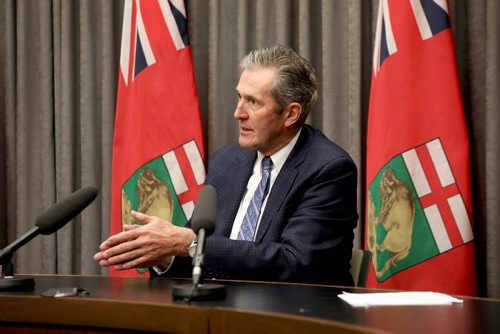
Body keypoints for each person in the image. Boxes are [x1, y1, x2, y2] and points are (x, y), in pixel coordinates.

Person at [94, 44, 358, 285]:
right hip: (224, 310)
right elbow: (200, 250)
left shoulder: (328, 169)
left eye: (253, 102)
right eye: (239, 97)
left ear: (291, 114)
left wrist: (189, 243)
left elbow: (296, 263)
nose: (238, 113)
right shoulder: (228, 161)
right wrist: (165, 254)